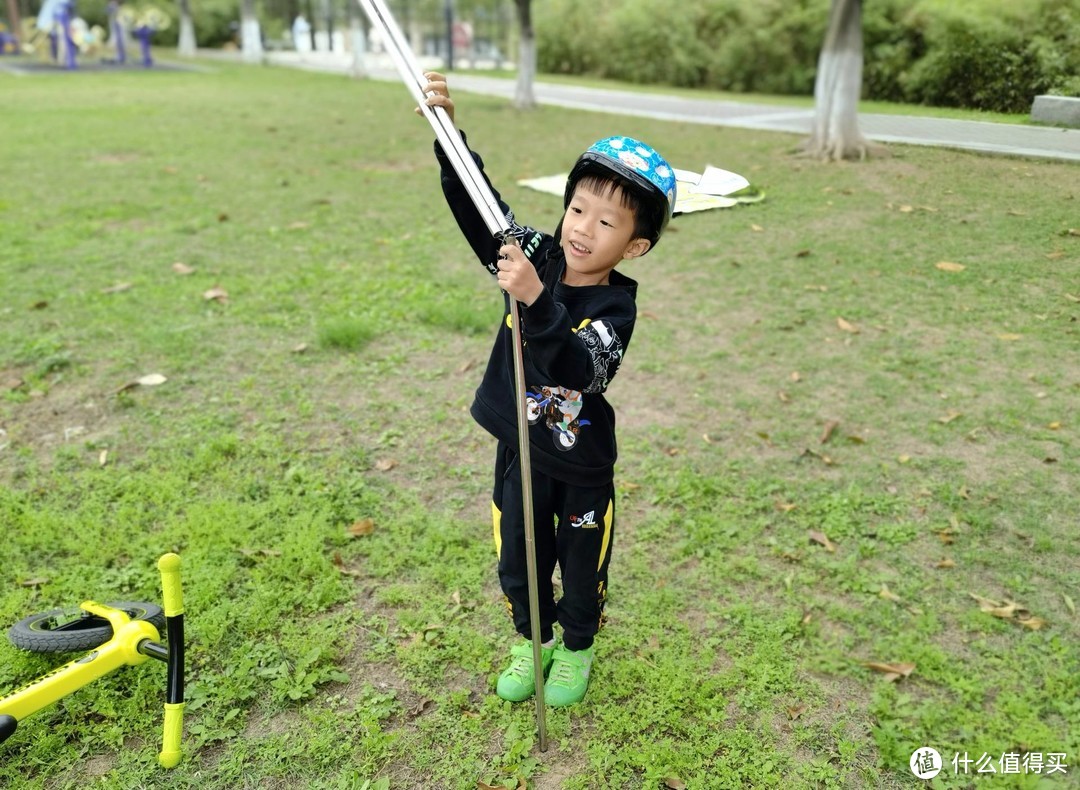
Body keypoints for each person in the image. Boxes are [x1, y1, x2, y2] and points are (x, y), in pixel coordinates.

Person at [418, 73, 676, 707]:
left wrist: (536, 300)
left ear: (635, 246)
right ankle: (531, 641)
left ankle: (577, 649)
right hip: (520, 452)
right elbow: (481, 211)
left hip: (581, 467)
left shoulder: (617, 306)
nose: (583, 227)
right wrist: (447, 131)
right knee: (519, 558)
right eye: (578, 207)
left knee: (580, 569)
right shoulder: (535, 254)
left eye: (607, 221)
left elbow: (583, 371)